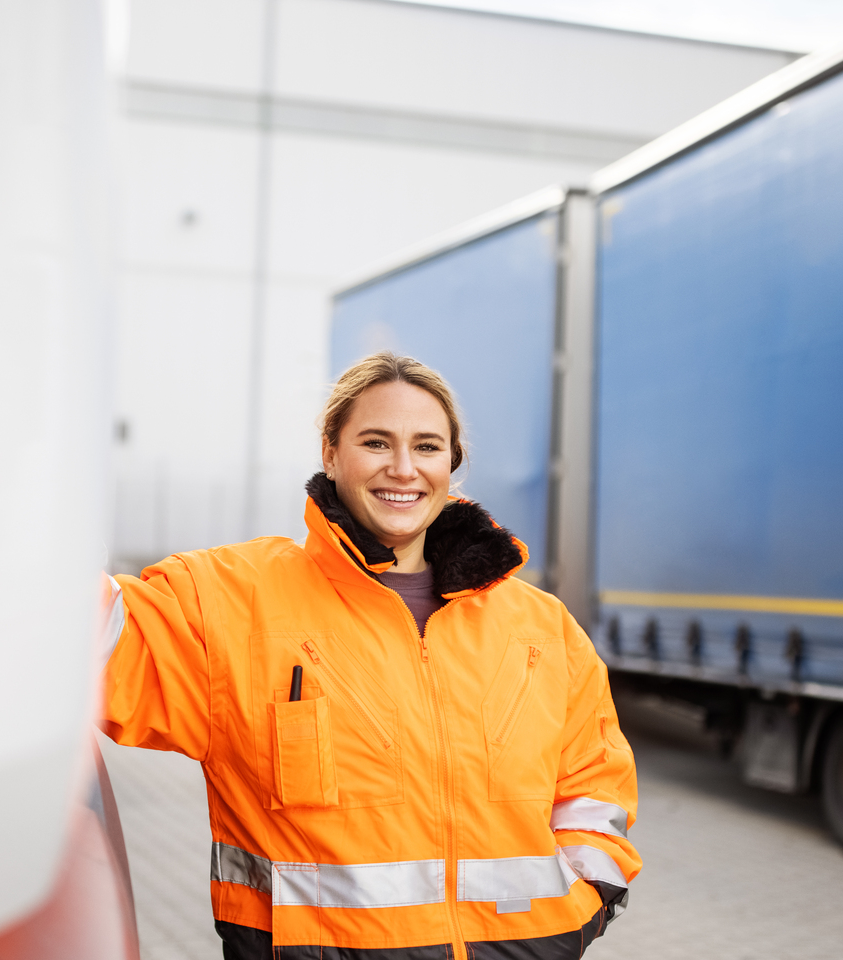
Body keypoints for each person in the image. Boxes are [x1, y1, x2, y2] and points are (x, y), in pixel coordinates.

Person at [102, 352, 640, 959]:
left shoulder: (541, 627)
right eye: (376, 442)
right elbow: (81, 644)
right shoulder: (231, 602)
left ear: (452, 464)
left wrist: (581, 905)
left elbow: (595, 786)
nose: (404, 469)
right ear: (331, 453)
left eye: (428, 447)